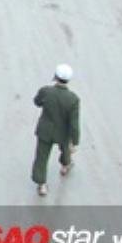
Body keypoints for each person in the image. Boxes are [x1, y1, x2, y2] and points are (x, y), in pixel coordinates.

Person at [32, 64, 80, 197]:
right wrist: (75, 141)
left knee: (41, 157)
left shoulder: (45, 91)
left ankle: (42, 185)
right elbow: (74, 123)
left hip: (45, 130)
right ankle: (65, 166)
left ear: (55, 77)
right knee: (65, 150)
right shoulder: (73, 99)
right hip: (62, 132)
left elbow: (37, 102)